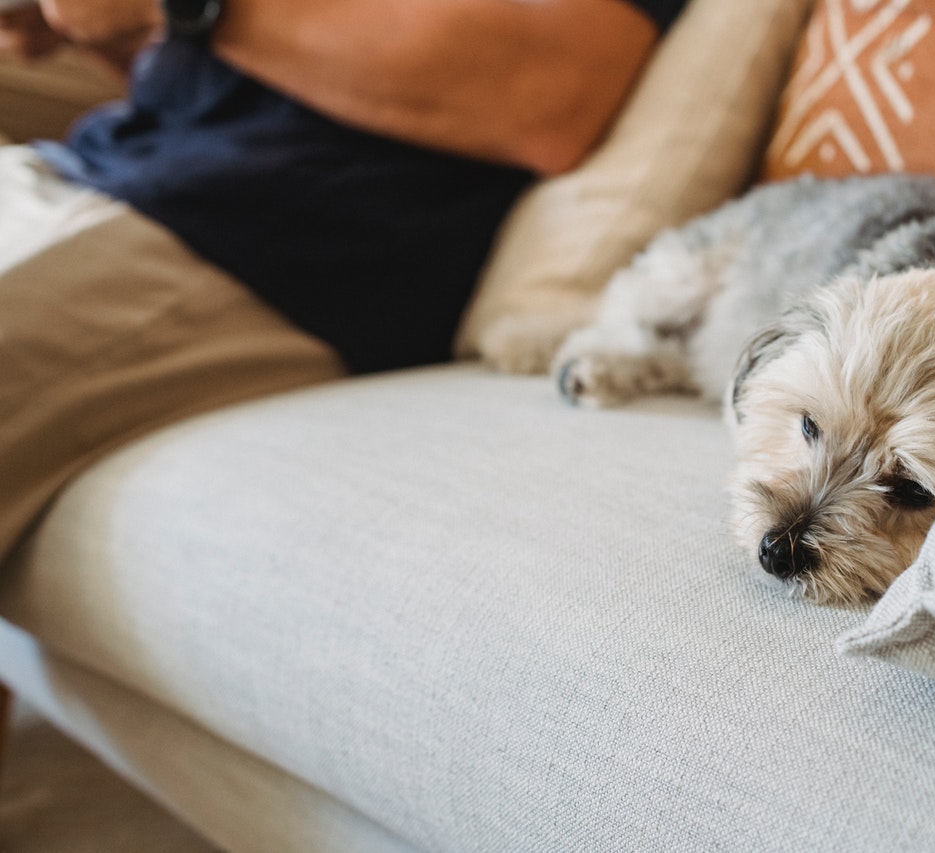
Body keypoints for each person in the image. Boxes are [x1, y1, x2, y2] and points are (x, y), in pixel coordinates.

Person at [0, 0, 689, 560]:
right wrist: (96, 25)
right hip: (108, 163)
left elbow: (549, 94)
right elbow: (232, 94)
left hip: (270, 236)